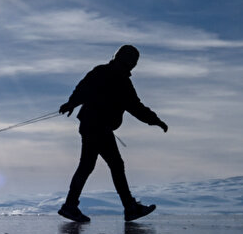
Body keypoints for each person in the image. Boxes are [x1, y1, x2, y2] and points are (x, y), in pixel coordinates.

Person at [57, 45, 167, 223]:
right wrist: (156, 120)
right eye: (133, 61)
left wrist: (71, 103)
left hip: (90, 125)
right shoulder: (121, 80)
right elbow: (136, 106)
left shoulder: (102, 71)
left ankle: (70, 205)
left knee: (89, 166)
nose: (133, 65)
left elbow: (83, 89)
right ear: (128, 61)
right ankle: (129, 207)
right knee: (115, 165)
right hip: (99, 128)